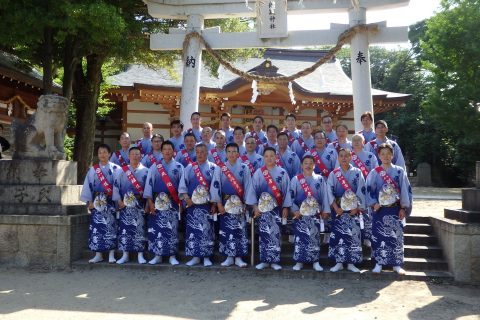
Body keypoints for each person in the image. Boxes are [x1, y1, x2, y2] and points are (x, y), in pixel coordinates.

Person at [366, 143, 412, 275]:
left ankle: (397, 264)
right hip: (379, 210)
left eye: (388, 154)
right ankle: (378, 263)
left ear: (392, 155)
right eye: (383, 154)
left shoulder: (399, 171)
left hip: (395, 209)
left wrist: (403, 207)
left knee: (396, 237)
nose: (386, 156)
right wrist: (374, 203)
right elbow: (369, 190)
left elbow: (405, 190)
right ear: (379, 156)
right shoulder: (374, 173)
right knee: (378, 236)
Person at [246, 147, 292, 270]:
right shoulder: (258, 173)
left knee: (275, 234)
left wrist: (286, 207)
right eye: (266, 156)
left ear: (276, 157)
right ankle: (264, 260)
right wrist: (255, 207)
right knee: (263, 234)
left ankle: (275, 260)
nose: (269, 158)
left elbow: (287, 191)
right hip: (262, 211)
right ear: (263, 158)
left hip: (276, 209)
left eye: (272, 155)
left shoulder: (282, 172)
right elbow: (252, 191)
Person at [178, 144, 220, 267]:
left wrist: (214, 204)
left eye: (202, 152)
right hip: (192, 206)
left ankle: (207, 256)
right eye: (198, 152)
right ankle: (195, 256)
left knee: (206, 231)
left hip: (206, 207)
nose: (200, 154)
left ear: (207, 153)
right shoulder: (190, 168)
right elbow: (182, 186)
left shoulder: (213, 168)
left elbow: (216, 187)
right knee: (193, 231)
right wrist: (187, 199)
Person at [211, 143, 251, 268]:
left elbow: (249, 187)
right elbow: (216, 185)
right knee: (227, 230)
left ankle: (239, 257)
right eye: (229, 151)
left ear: (238, 154)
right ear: (226, 153)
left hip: (240, 204)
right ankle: (228, 257)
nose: (232, 154)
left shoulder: (244, 168)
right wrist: (218, 203)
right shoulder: (220, 168)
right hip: (225, 205)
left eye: (234, 151)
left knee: (239, 230)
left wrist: (246, 203)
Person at [144, 141, 184, 266]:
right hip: (157, 203)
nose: (167, 151)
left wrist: (181, 204)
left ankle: (172, 255)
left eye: (169, 149)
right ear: (161, 151)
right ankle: (157, 255)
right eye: (165, 149)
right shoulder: (155, 167)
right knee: (157, 229)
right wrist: (150, 203)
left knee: (171, 229)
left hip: (172, 202)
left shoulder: (179, 167)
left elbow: (182, 188)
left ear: (173, 151)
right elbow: (148, 186)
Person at [327, 148, 366, 273]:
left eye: (346, 156)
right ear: (338, 158)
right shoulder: (334, 174)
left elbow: (361, 190)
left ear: (351, 157)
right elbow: (329, 191)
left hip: (353, 210)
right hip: (338, 210)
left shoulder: (357, 172)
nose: (344, 158)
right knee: (338, 236)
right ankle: (338, 262)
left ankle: (351, 263)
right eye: (341, 156)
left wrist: (357, 207)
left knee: (353, 235)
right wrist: (335, 207)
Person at [80, 144, 120, 263]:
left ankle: (112, 253)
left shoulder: (116, 168)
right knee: (97, 228)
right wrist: (90, 202)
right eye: (100, 152)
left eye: (104, 152)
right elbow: (88, 186)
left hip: (110, 202)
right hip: (97, 203)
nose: (102, 154)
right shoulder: (93, 169)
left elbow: (119, 187)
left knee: (111, 227)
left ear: (109, 154)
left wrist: (118, 201)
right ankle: (98, 254)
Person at [289, 155, 331, 271]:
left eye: (311, 163)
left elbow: (325, 196)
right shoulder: (296, 179)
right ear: (302, 165)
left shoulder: (320, 179)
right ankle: (299, 261)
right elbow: (291, 196)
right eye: (305, 163)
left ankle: (315, 261)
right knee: (300, 238)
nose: (308, 165)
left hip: (315, 215)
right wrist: (295, 210)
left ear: (314, 165)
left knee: (314, 238)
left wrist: (325, 210)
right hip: (300, 215)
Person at [113, 146, 149, 264]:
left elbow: (148, 189)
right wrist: (119, 201)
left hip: (139, 204)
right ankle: (125, 254)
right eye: (132, 154)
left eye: (137, 154)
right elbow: (115, 187)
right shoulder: (121, 171)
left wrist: (148, 204)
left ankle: (140, 254)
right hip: (125, 205)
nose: (135, 156)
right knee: (125, 229)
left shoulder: (146, 171)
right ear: (128, 156)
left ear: (141, 156)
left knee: (139, 228)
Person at [349, 133, 378, 247]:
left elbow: (375, 173)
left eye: (358, 140)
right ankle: (353, 236)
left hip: (367, 189)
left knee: (367, 214)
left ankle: (367, 237)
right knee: (352, 212)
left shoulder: (371, 156)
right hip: (351, 190)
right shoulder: (347, 155)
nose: (356, 142)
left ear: (364, 142)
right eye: (354, 140)